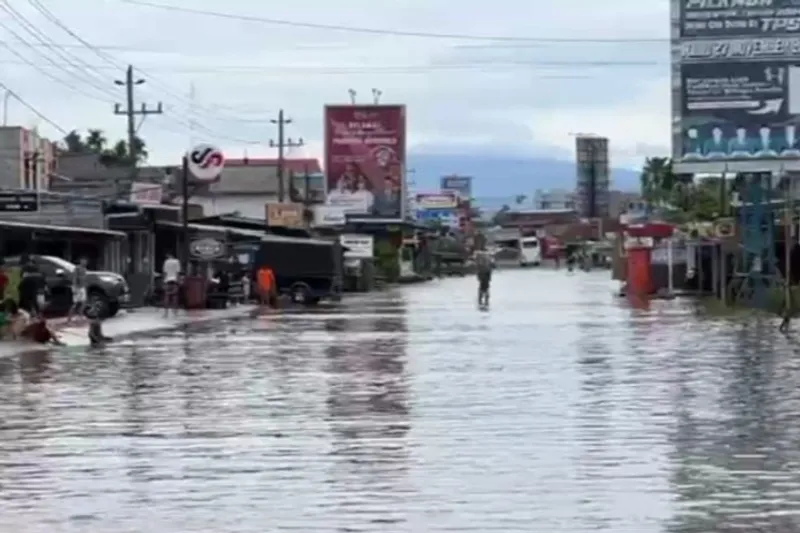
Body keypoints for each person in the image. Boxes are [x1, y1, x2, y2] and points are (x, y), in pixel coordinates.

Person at [67, 257, 88, 323]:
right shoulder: (77, 268)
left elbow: (84, 279)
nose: (85, 262)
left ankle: (80, 316)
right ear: (81, 261)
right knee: (74, 304)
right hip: (77, 287)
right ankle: (69, 319)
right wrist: (74, 288)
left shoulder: (85, 269)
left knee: (84, 302)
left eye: (85, 261)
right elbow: (74, 278)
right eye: (83, 261)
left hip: (82, 287)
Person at [162, 253, 181, 317]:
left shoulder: (166, 262)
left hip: (167, 281)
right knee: (175, 297)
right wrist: (178, 281)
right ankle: (175, 312)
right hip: (174, 281)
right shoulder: (177, 261)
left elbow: (165, 272)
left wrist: (164, 282)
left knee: (166, 297)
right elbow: (177, 272)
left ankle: (166, 313)